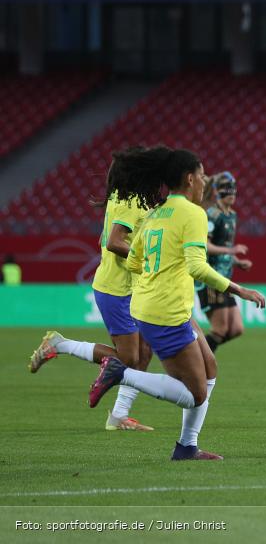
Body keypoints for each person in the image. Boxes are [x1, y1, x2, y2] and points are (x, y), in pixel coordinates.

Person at [86, 147, 266, 460]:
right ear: (189, 179)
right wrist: (239, 289)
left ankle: (187, 447)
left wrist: (161, 268)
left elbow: (134, 261)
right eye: (202, 176)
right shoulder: (193, 214)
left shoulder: (156, 212)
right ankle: (120, 373)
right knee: (196, 394)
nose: (205, 182)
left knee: (210, 368)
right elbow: (197, 267)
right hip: (165, 310)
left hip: (155, 304)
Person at [29, 149, 157, 431]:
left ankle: (119, 416)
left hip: (133, 287)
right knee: (129, 358)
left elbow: (110, 239)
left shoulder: (130, 197)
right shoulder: (129, 202)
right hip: (116, 289)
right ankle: (59, 345)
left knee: (146, 351)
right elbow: (113, 242)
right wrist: (149, 259)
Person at [197, 172, 252, 353]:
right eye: (226, 189)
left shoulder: (231, 215)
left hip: (225, 278)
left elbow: (225, 247)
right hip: (211, 278)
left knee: (236, 329)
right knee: (219, 329)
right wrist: (231, 251)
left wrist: (237, 261)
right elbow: (205, 245)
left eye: (233, 189)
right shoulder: (212, 215)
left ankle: (198, 353)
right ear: (217, 191)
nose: (231, 193)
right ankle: (196, 358)